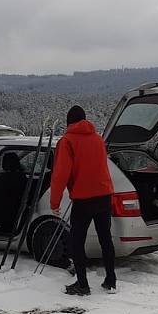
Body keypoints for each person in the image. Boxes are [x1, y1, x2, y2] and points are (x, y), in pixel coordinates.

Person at [50, 105, 116, 295]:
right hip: (104, 195)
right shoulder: (98, 139)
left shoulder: (67, 141)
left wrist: (54, 203)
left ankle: (82, 285)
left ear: (68, 121)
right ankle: (110, 281)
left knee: (76, 241)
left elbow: (60, 174)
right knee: (106, 239)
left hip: (83, 199)